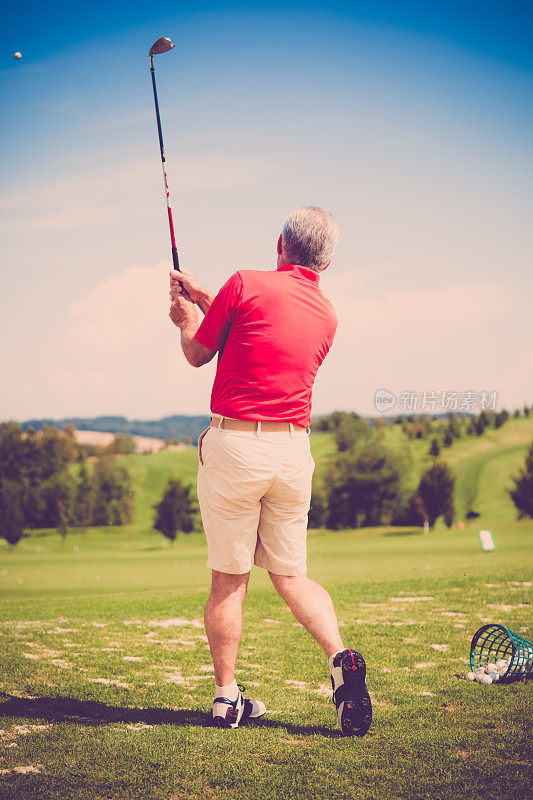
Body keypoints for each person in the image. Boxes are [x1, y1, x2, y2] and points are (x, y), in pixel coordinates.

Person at [168, 206, 371, 736]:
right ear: (323, 260)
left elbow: (199, 353)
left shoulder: (244, 283)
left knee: (229, 578)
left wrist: (188, 318)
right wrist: (211, 301)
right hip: (292, 452)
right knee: (291, 575)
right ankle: (342, 662)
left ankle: (226, 698)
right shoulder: (327, 313)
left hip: (236, 446)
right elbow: (258, 333)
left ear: (280, 245)